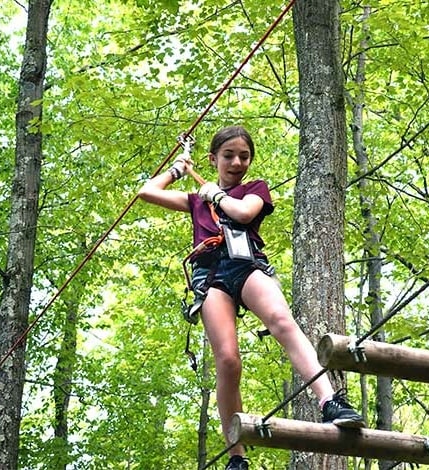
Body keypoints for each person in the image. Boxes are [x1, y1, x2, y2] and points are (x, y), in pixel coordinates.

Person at [138, 125, 364, 470]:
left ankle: (330, 402)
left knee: (281, 322)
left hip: (246, 263)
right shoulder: (195, 201)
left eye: (244, 156)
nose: (237, 162)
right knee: (227, 361)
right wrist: (178, 169)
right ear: (213, 159)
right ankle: (236, 458)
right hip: (211, 274)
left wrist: (215, 195)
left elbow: (244, 213)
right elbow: (146, 192)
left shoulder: (254, 189)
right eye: (228, 155)